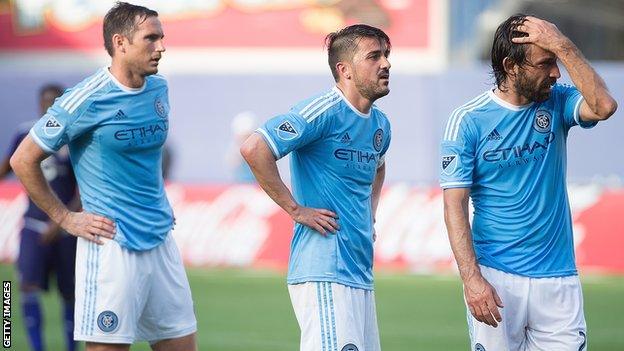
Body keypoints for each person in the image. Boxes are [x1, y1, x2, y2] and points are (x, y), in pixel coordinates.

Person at [9, 3, 197, 351]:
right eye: (151, 38)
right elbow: (23, 160)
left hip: (161, 240)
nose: (162, 47)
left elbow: (143, 157)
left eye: (162, 37)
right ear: (120, 42)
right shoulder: (84, 99)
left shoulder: (159, 89)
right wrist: (65, 217)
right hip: (111, 247)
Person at [440, 14, 617, 350]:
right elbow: (454, 206)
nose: (555, 72)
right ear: (511, 65)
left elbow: (604, 106)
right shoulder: (467, 121)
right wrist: (471, 280)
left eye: (557, 61)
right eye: (545, 62)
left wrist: (561, 45)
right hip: (496, 279)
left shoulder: (559, 101)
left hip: (558, 279)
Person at [240, 24, 392, 351]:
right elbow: (255, 149)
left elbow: (378, 165)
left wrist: (370, 214)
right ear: (345, 70)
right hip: (324, 270)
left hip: (359, 273)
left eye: (386, 55)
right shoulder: (322, 111)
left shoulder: (380, 124)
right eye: (374, 56)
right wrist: (296, 210)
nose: (386, 64)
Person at [0, 84, 79, 351]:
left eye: (54, 102)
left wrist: (61, 221)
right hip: (34, 227)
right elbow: (8, 166)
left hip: (67, 229)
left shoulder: (74, 136)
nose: (48, 107)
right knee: (22, 287)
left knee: (70, 293)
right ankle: (33, 346)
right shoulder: (26, 132)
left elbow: (84, 188)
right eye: (44, 102)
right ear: (38, 104)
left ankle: (71, 348)